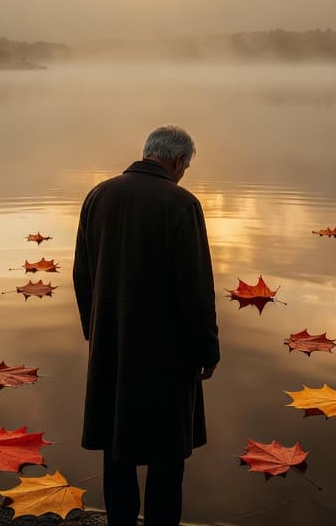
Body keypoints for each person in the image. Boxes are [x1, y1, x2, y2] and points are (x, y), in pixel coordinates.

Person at [73, 125, 221, 526]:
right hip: (167, 351)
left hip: (112, 347)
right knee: (168, 457)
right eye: (185, 166)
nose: (183, 173)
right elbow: (196, 288)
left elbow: (82, 274)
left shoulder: (98, 196)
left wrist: (97, 332)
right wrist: (207, 350)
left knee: (115, 448)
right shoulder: (181, 204)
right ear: (177, 161)